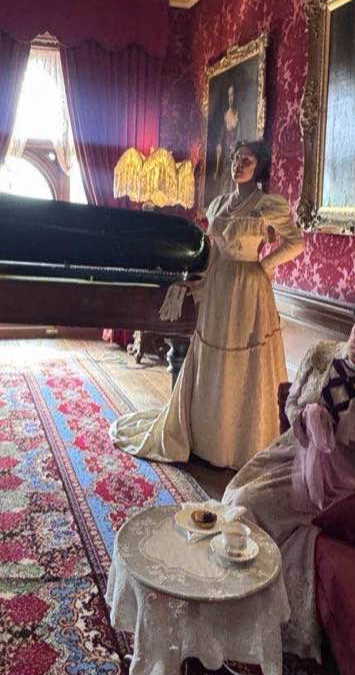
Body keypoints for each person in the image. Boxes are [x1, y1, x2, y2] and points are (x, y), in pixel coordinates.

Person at [220, 293, 355, 659]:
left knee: (249, 505)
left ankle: (248, 601)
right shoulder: (320, 354)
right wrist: (306, 418)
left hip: (341, 471)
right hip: (294, 447)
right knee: (236, 491)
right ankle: (232, 577)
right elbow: (293, 401)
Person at [110, 139, 305, 470]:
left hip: (249, 285)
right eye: (235, 158)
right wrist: (197, 279)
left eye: (246, 160)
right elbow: (214, 249)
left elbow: (295, 243)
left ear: (258, 166)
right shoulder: (217, 205)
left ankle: (240, 442)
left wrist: (265, 265)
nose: (238, 164)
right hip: (218, 282)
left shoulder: (267, 205)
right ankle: (205, 436)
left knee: (243, 359)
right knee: (211, 355)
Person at [214, 83, 241, 182]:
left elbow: (240, 136)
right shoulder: (225, 115)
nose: (230, 98)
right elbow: (221, 137)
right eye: (229, 95)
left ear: (235, 96)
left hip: (236, 155)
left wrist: (235, 148)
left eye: (232, 95)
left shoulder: (238, 115)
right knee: (225, 182)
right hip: (226, 156)